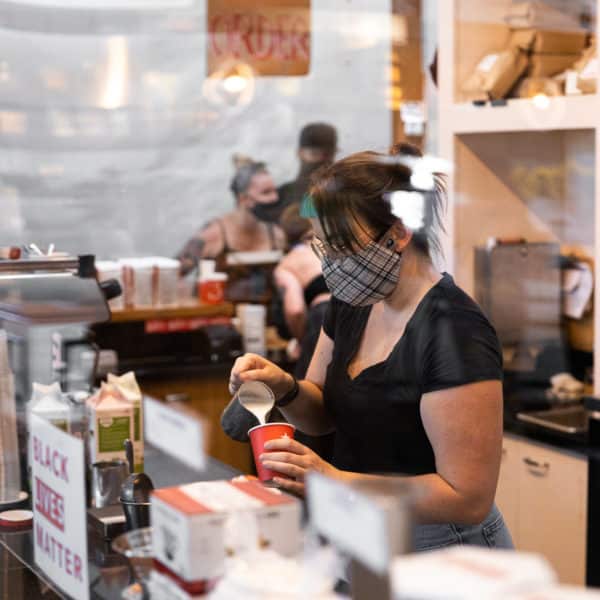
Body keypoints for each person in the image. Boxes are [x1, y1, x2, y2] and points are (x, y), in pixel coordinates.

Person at [228, 144, 513, 551]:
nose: (331, 262)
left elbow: (467, 498)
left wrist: (333, 479)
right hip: (364, 529)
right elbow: (321, 415)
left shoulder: (456, 331)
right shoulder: (353, 301)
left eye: (342, 245)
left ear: (399, 232)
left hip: (443, 545)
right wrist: (285, 388)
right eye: (323, 246)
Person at [176, 160, 286, 277]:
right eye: (266, 192)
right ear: (243, 199)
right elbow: (171, 274)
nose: (275, 198)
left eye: (275, 191)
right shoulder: (213, 234)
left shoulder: (277, 236)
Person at [274, 204, 331, 378]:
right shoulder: (334, 246)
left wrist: (301, 341)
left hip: (325, 318)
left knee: (310, 384)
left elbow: (295, 310)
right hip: (362, 314)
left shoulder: (288, 264)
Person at [267, 122, 338, 224]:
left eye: (328, 155)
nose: (322, 160)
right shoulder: (278, 197)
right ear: (300, 153)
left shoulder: (345, 194)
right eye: (314, 154)